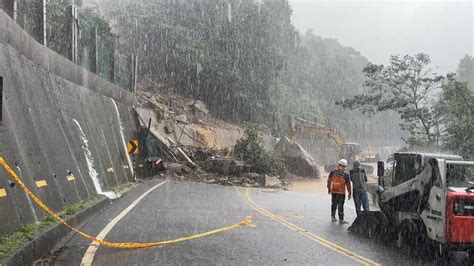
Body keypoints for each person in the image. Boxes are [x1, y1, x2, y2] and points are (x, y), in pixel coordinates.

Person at [327, 159, 351, 224]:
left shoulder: (332, 172)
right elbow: (348, 185)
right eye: (344, 166)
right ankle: (341, 219)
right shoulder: (346, 175)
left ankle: (333, 217)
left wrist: (329, 189)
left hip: (334, 191)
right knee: (340, 205)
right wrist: (350, 193)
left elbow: (329, 181)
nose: (344, 167)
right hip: (341, 193)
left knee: (334, 204)